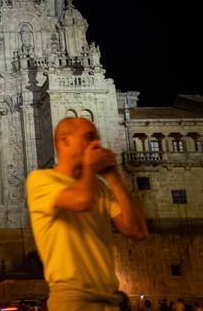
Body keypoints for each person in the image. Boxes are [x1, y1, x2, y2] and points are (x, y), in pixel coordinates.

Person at [26, 117, 148, 311]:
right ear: (64, 141)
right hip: (73, 300)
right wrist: (91, 168)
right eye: (89, 137)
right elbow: (81, 201)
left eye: (97, 138)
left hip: (110, 298)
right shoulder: (40, 180)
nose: (96, 144)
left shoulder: (99, 188)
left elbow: (137, 231)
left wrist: (114, 177)